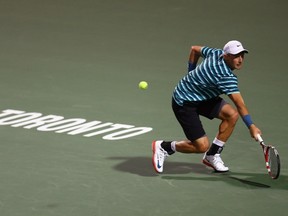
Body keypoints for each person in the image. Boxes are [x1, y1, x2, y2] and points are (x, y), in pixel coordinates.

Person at [152, 40, 262, 173]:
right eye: (235, 56)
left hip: (202, 97)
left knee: (231, 115)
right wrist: (251, 126)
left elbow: (194, 49)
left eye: (242, 55)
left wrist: (190, 73)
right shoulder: (226, 77)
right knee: (201, 146)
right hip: (184, 102)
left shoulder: (215, 53)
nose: (240, 59)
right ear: (226, 55)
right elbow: (240, 104)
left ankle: (212, 155)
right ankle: (165, 147)